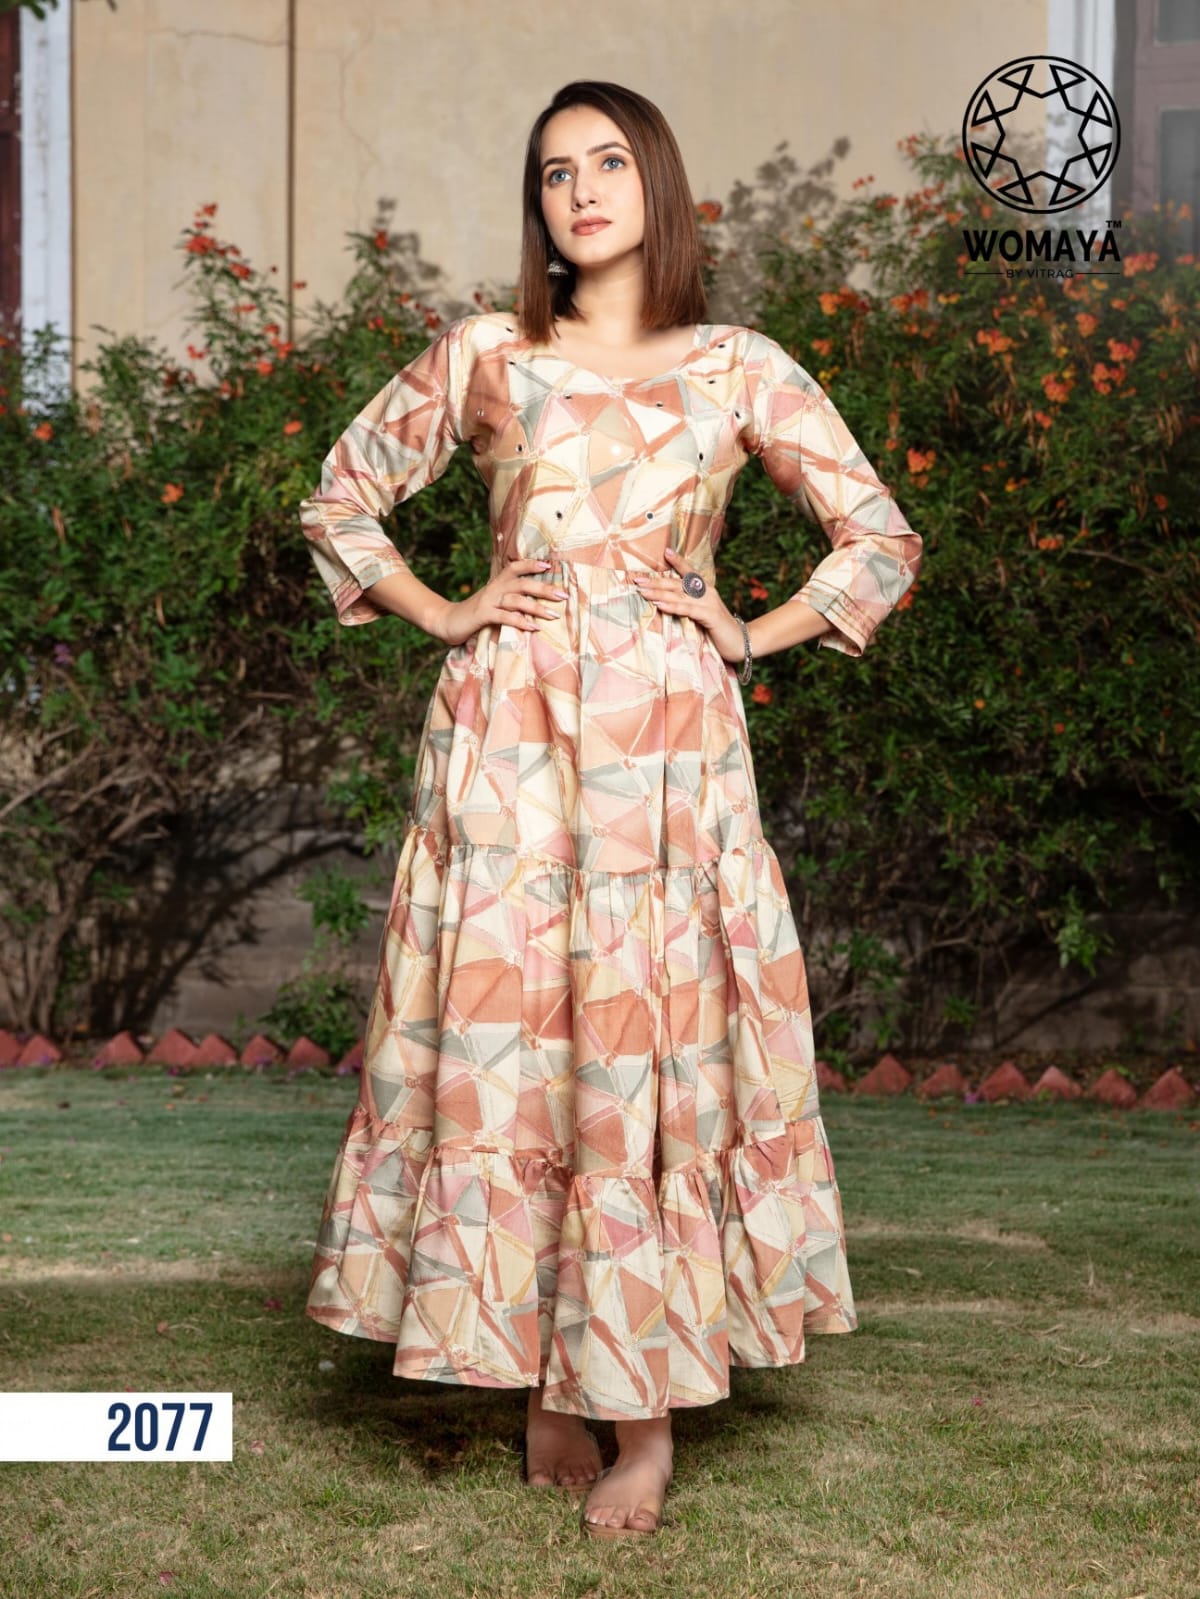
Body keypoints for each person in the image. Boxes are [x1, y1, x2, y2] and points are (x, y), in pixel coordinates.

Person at [298, 78, 922, 1540]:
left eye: (609, 163)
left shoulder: (741, 367)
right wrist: (448, 609)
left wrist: (751, 631)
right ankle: (546, 1376)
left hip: (668, 756)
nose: (581, 191)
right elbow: (340, 499)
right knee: (518, 1044)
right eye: (554, 172)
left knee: (645, 1045)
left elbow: (879, 537)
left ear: (660, 184)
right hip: (509, 738)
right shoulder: (487, 354)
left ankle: (640, 1419)